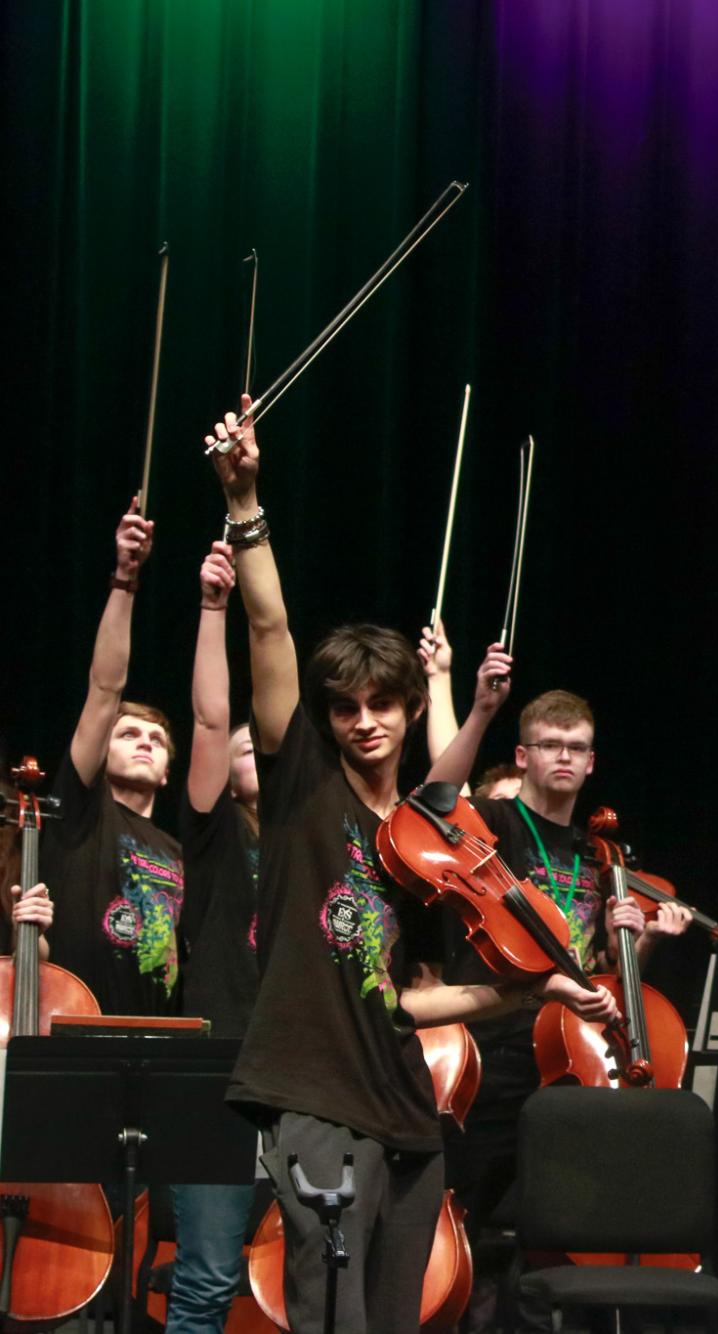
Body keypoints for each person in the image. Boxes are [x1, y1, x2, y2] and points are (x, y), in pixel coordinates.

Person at [203, 396, 616, 1333]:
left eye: (383, 703)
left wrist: (534, 992)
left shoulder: (428, 842)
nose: (366, 722)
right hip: (312, 1092)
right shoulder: (305, 780)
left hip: (403, 1099)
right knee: (329, 1309)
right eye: (347, 707)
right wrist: (246, 504)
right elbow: (268, 631)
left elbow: (406, 999)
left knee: (395, 1319)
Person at [424, 636, 695, 1327]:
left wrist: (640, 943)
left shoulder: (604, 855)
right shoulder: (495, 824)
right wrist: (477, 705)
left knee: (555, 1245)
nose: (564, 757)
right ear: (524, 756)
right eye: (549, 744)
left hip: (568, 1067)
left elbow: (603, 968)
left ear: (592, 759)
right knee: (459, 1223)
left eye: (576, 746)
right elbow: (435, 798)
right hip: (490, 1053)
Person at [167, 542, 267, 1334]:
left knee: (317, 1275)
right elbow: (209, 717)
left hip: (310, 1074)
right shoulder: (215, 837)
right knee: (206, 1280)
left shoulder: (325, 836)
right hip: (220, 1070)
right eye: (245, 748)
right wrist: (213, 610)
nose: (254, 751)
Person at [42, 499, 185, 1015]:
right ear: (101, 752)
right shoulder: (82, 811)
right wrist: (126, 579)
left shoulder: (178, 849)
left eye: (158, 739)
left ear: (169, 773)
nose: (146, 741)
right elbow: (106, 688)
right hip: (75, 1020)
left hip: (160, 1037)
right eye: (128, 734)